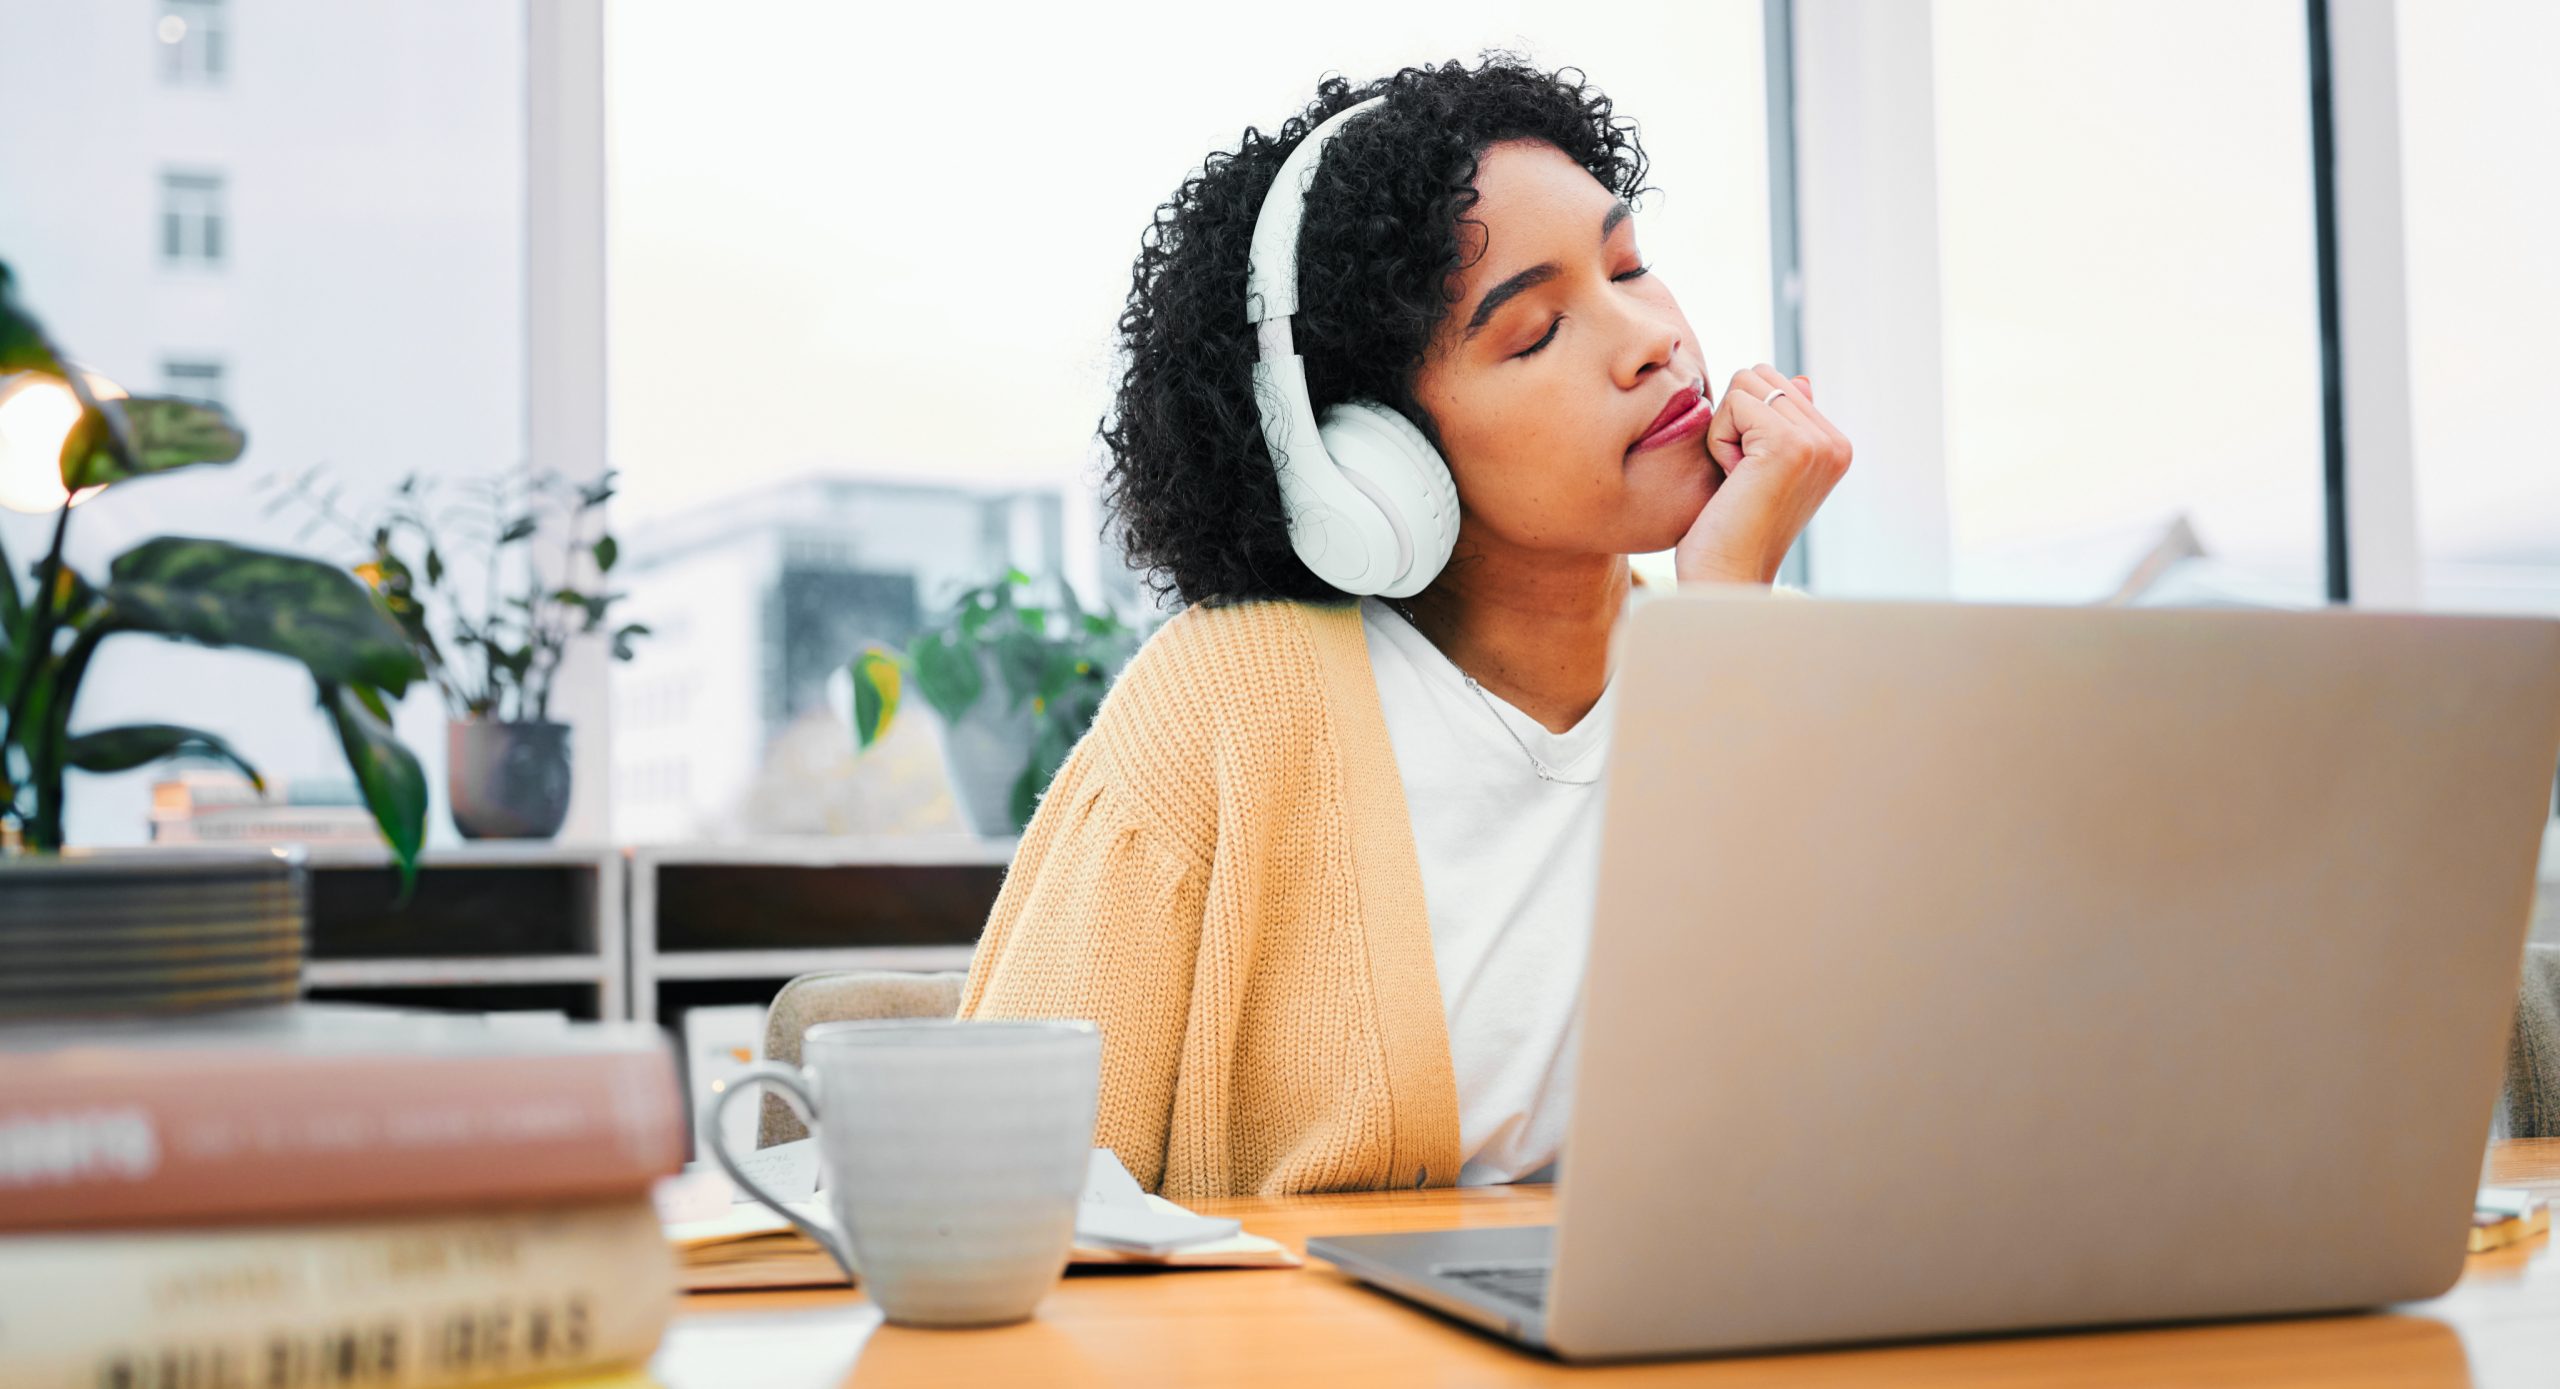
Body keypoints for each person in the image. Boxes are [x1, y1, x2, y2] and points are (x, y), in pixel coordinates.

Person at [959, 55, 1852, 1199]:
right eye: (1533, 332)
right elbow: (994, 1194)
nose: (1648, 339)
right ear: (1364, 460)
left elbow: (1829, 1139)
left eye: (1629, 266)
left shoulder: (1776, 663)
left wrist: (1730, 620)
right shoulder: (1229, 710)